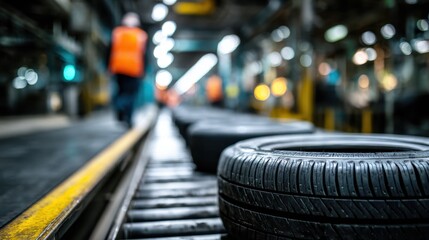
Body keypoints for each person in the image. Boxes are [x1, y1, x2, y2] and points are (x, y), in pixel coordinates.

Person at [108, 12, 148, 127]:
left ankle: (121, 112)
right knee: (131, 94)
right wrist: (143, 70)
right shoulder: (141, 35)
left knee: (121, 91)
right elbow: (143, 55)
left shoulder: (117, 33)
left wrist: (108, 67)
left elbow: (110, 51)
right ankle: (126, 114)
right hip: (133, 69)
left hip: (118, 67)